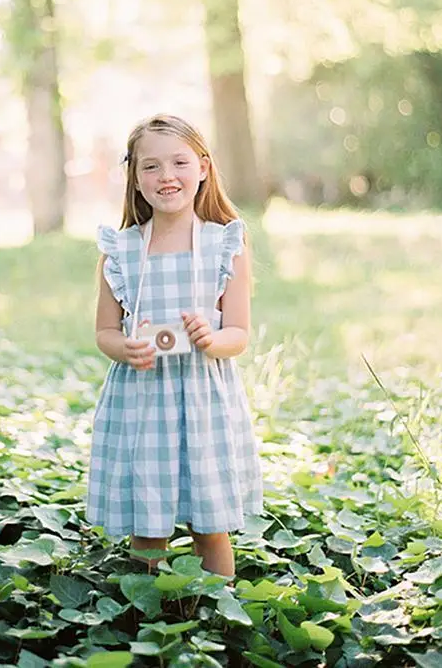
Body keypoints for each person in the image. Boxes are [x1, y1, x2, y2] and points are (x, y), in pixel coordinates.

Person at [88, 114, 263, 576]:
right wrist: (123, 348)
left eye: (179, 162)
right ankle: (150, 617)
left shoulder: (224, 243)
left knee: (211, 526)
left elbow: (239, 335)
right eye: (150, 167)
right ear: (135, 177)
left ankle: (219, 617)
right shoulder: (121, 250)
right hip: (142, 403)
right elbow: (106, 330)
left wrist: (212, 337)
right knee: (148, 527)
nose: (166, 177)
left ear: (203, 167)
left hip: (203, 401)